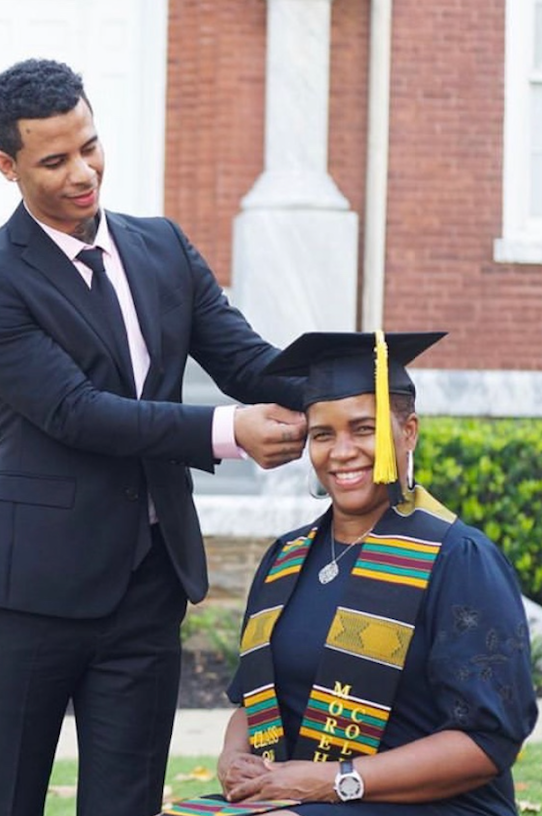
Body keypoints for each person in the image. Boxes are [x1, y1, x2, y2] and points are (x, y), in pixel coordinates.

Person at [0, 57, 310, 816]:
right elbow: (78, 412)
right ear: (7, 166)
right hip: (29, 592)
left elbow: (245, 359)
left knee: (127, 803)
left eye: (91, 145)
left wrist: (356, 382)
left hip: (148, 582)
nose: (83, 172)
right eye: (55, 160)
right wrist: (228, 432)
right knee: (6, 800)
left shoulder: (163, 247)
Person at [183, 330, 538, 816]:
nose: (342, 451)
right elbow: (252, 701)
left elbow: (487, 741)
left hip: (430, 804)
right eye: (323, 434)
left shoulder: (458, 559)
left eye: (364, 429)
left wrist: (337, 781)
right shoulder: (286, 558)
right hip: (299, 797)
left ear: (408, 431)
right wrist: (232, 760)